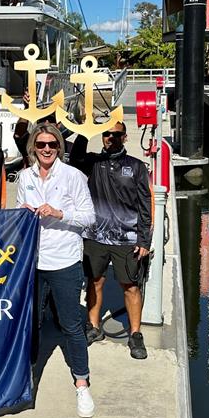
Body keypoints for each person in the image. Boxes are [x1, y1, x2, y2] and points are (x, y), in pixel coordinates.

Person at [15, 123, 97, 418]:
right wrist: (22, 214)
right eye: (41, 145)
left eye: (51, 144)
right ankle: (26, 378)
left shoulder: (74, 176)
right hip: (33, 262)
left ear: (59, 147)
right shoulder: (24, 177)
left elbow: (89, 218)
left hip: (64, 261)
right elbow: (19, 217)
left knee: (72, 325)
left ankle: (82, 383)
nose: (46, 149)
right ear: (33, 148)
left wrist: (60, 213)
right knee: (31, 324)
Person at [69, 121, 152, 360]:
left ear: (125, 137)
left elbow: (145, 205)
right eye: (106, 134)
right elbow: (75, 158)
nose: (110, 138)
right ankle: (94, 327)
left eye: (116, 134)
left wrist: (144, 240)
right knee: (95, 281)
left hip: (127, 238)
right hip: (95, 236)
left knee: (131, 286)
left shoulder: (136, 167)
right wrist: (86, 131)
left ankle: (135, 334)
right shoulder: (93, 163)